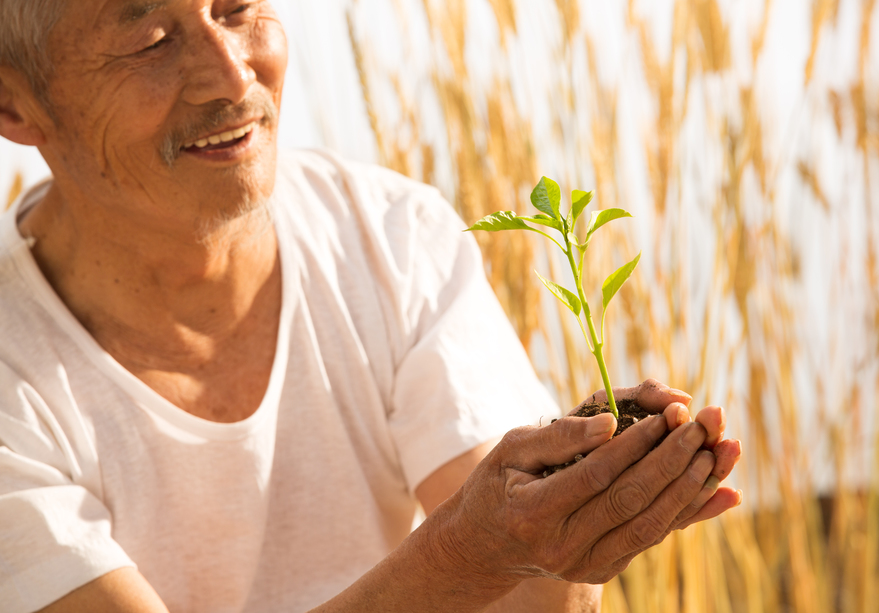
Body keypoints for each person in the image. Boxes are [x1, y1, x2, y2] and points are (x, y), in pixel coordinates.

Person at [0, 1, 742, 611]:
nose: (231, 76)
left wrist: (571, 501)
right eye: (151, 41)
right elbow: (481, 553)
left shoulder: (390, 236)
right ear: (14, 101)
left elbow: (528, 600)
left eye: (237, 10)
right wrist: (469, 550)